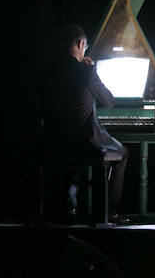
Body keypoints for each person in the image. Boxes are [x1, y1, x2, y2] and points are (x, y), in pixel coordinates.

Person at [41, 25, 129, 223]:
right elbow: (109, 101)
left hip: (51, 142)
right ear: (81, 44)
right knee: (122, 153)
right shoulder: (86, 72)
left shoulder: (48, 73)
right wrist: (91, 71)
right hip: (83, 143)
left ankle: (67, 209)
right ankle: (109, 211)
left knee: (71, 161)